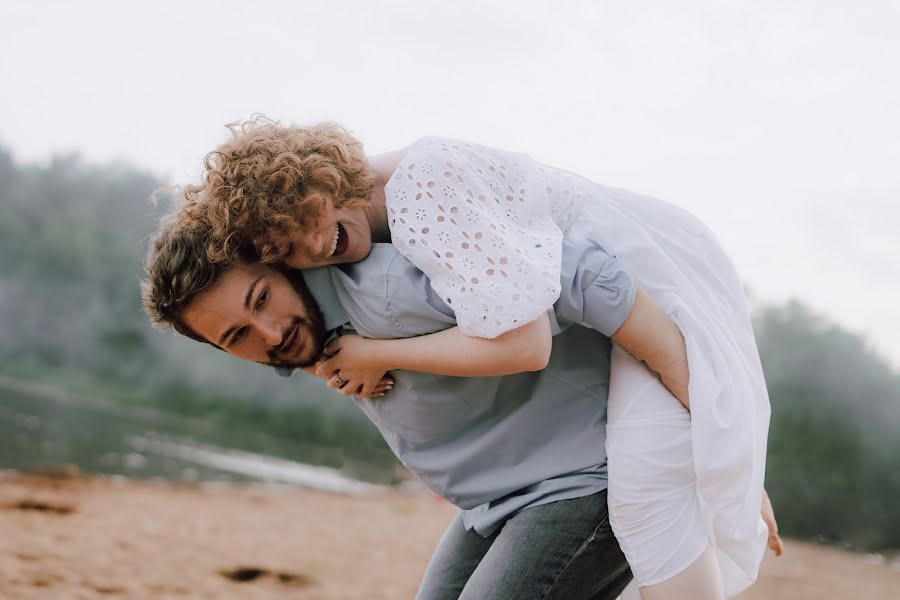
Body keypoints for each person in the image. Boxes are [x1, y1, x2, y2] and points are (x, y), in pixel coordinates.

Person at [185, 120, 776, 598]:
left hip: (655, 271)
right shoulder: (355, 245)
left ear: (319, 175)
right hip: (600, 314)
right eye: (288, 248)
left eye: (305, 221)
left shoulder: (425, 191)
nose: (312, 245)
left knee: (653, 506)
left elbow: (528, 342)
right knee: (688, 461)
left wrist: (375, 352)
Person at [142, 213, 639, 599]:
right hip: (494, 497)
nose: (270, 332)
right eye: (237, 336)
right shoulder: (311, 329)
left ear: (278, 263)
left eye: (261, 299)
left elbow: (554, 288)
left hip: (583, 480)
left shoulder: (387, 288)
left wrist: (383, 352)